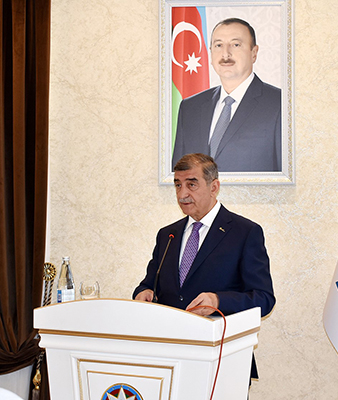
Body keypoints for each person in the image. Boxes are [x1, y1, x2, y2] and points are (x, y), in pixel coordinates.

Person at [133, 153, 276, 382]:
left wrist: (218, 301)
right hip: (169, 358)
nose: (182, 194)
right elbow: (149, 284)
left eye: (191, 184)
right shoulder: (167, 234)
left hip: (222, 359)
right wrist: (144, 292)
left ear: (214, 187)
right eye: (178, 185)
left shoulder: (245, 232)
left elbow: (264, 299)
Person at [171, 18, 282, 172]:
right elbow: (178, 174)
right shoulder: (190, 107)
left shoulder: (280, 104)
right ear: (210, 53)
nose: (225, 54)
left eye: (236, 45)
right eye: (218, 45)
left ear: (254, 53)